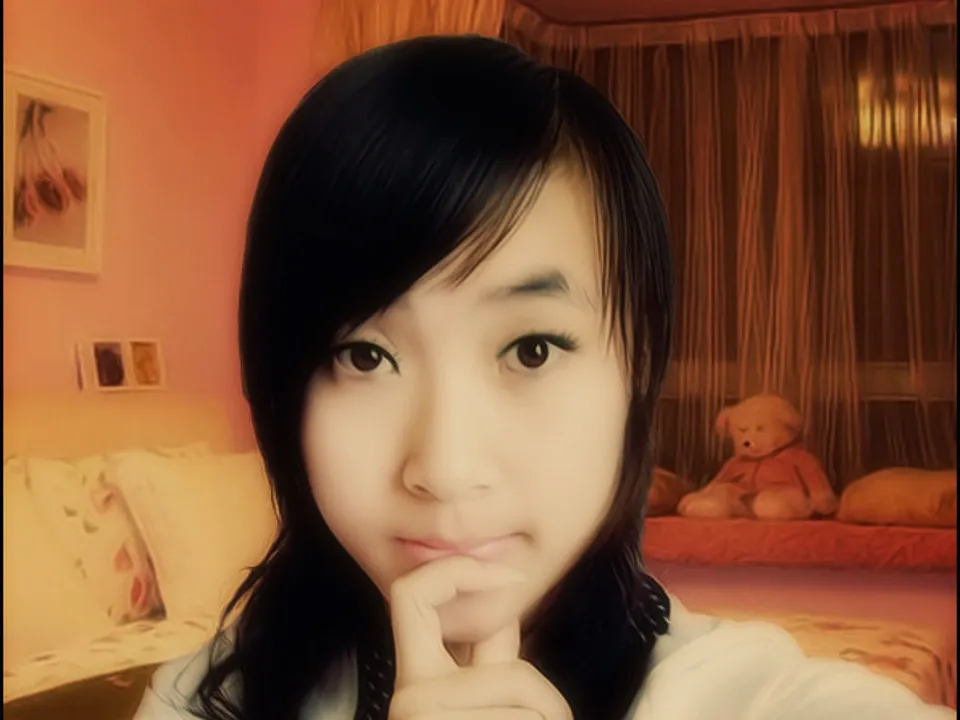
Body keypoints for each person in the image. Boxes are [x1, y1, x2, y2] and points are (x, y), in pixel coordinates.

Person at [134, 35, 955, 720]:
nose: (446, 469)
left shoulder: (755, 700)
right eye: (365, 356)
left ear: (638, 368)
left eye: (531, 349)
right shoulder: (203, 699)